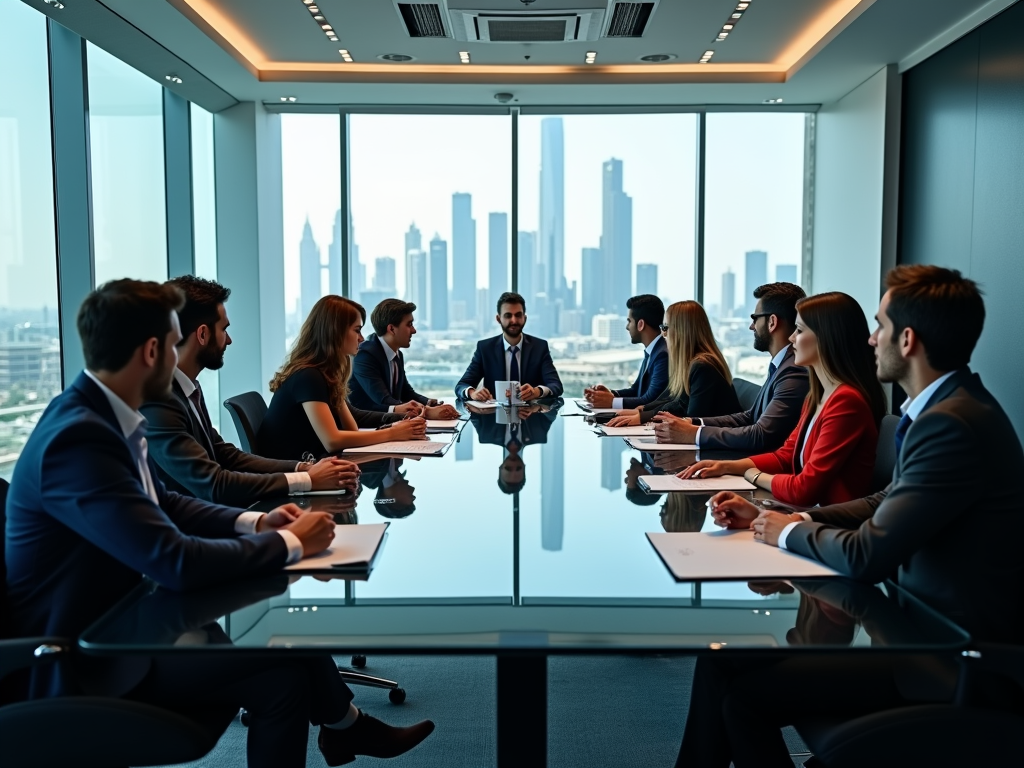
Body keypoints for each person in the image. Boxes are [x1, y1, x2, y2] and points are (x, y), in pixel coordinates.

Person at [4, 280, 434, 768]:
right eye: (173, 344)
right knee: (282, 673)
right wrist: (289, 543)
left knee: (285, 665)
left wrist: (257, 523)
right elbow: (175, 561)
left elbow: (166, 501)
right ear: (152, 351)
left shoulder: (103, 416)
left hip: (131, 617)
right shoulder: (79, 439)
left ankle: (347, 729)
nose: (180, 356)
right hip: (83, 655)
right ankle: (349, 729)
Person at [676, 266, 1024, 767]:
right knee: (723, 666)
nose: (869, 337)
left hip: (947, 656)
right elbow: (884, 501)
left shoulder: (952, 424)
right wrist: (769, 516)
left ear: (907, 340)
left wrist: (791, 529)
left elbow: (868, 555)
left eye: (879, 325)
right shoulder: (944, 410)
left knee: (744, 698)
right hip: (909, 629)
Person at [141, 276, 360, 507]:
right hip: (192, 528)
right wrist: (306, 479)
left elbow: (225, 455)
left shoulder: (187, 387)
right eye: (224, 329)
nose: (229, 340)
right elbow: (214, 485)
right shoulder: (159, 400)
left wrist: (303, 468)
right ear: (203, 334)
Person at [679, 291, 886, 507]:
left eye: (799, 330)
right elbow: (784, 457)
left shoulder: (846, 402)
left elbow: (802, 489)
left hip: (828, 525)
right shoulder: (817, 397)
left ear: (827, 338)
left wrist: (753, 475)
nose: (791, 338)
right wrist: (727, 466)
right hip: (807, 514)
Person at [258, 296, 428, 460]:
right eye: (357, 330)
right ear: (335, 332)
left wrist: (396, 425)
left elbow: (351, 428)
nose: (361, 338)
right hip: (291, 474)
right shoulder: (308, 376)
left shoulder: (325, 373)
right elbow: (333, 441)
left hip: (311, 465)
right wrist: (392, 433)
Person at [648, 282, 809, 450]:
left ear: (772, 322)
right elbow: (749, 417)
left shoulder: (792, 370)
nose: (751, 326)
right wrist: (693, 423)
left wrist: (694, 433)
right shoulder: (780, 364)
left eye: (755, 318)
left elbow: (761, 435)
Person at [606, 300, 740, 426]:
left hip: (715, 448)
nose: (663, 334)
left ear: (682, 331)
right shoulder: (691, 364)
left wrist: (644, 416)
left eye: (665, 327)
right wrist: (642, 411)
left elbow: (690, 419)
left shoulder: (703, 367)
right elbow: (673, 399)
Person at [349, 298, 460, 420]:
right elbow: (383, 400)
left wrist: (430, 403)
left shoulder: (397, 354)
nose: (414, 330)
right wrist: (427, 412)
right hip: (366, 425)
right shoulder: (365, 354)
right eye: (409, 324)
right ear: (391, 329)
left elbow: (406, 392)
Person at [455, 292, 563, 401]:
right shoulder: (485, 348)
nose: (514, 321)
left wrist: (537, 392)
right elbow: (462, 385)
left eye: (518, 315)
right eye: (508, 315)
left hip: (532, 414)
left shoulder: (539, 347)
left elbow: (556, 385)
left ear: (524, 318)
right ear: (498, 319)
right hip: (493, 415)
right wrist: (472, 392)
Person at [584, 294, 667, 409]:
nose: (627, 327)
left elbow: (650, 400)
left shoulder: (662, 355)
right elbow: (636, 390)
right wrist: (610, 394)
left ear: (640, 324)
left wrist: (612, 402)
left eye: (629, 321)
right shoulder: (653, 350)